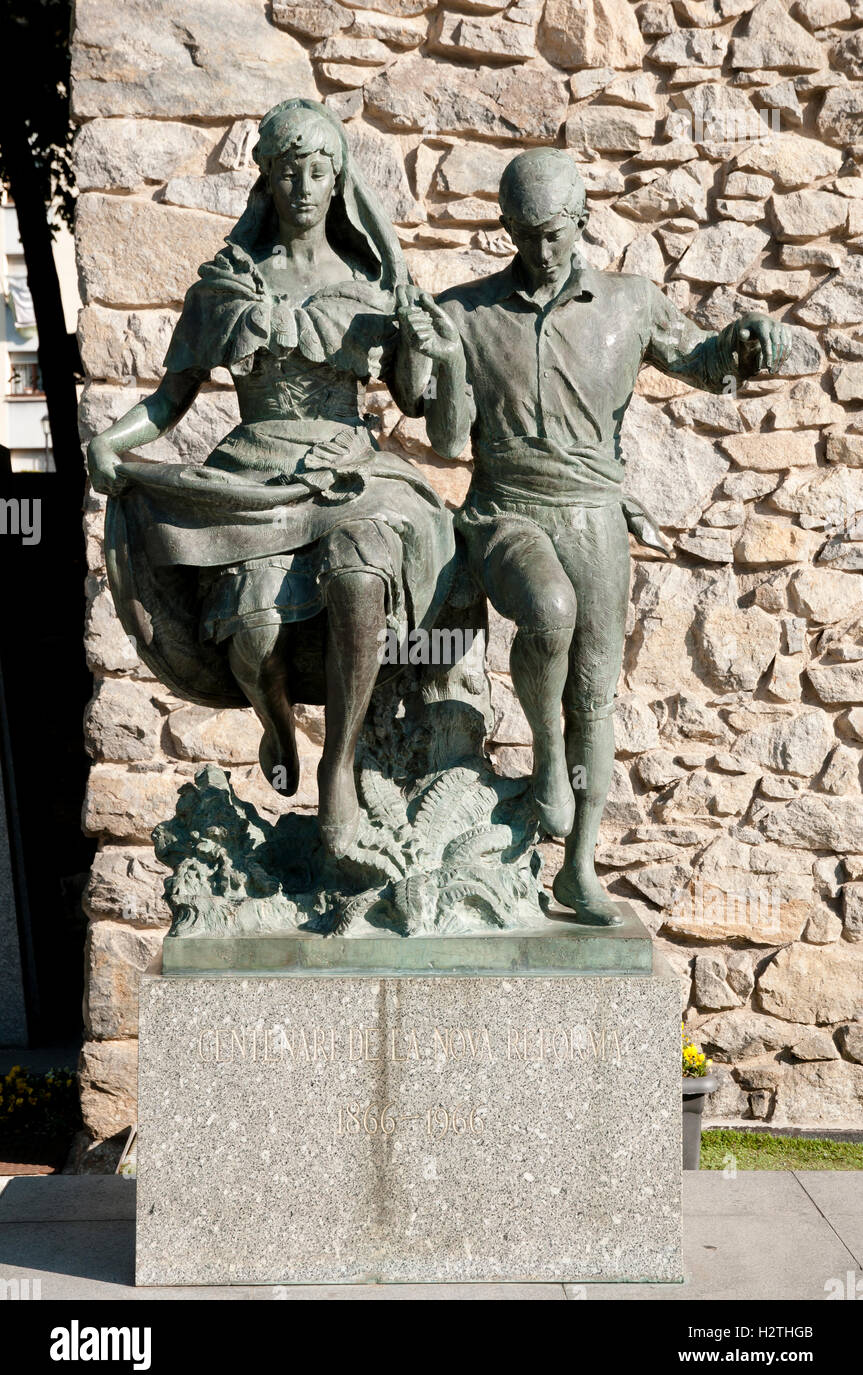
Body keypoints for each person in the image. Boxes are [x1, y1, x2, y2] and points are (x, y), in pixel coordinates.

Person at [400, 147, 791, 924]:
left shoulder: (630, 301)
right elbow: (433, 422)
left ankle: (578, 865)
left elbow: (701, 361)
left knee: (594, 695)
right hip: (505, 507)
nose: (540, 250)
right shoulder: (465, 312)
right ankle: (546, 760)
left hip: (594, 514)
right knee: (546, 612)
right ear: (504, 227)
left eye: (553, 232)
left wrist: (744, 341)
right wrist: (421, 349)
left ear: (582, 220)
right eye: (523, 233)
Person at [87, 98, 454, 859]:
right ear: (267, 181)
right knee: (252, 639)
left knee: (360, 579)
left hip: (349, 471)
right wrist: (109, 442)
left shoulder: (371, 282)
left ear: (338, 179)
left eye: (318, 170)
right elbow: (167, 400)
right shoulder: (230, 285)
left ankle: (340, 766)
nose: (304, 186)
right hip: (253, 473)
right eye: (288, 172)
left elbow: (416, 401)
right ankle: (278, 727)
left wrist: (422, 345)